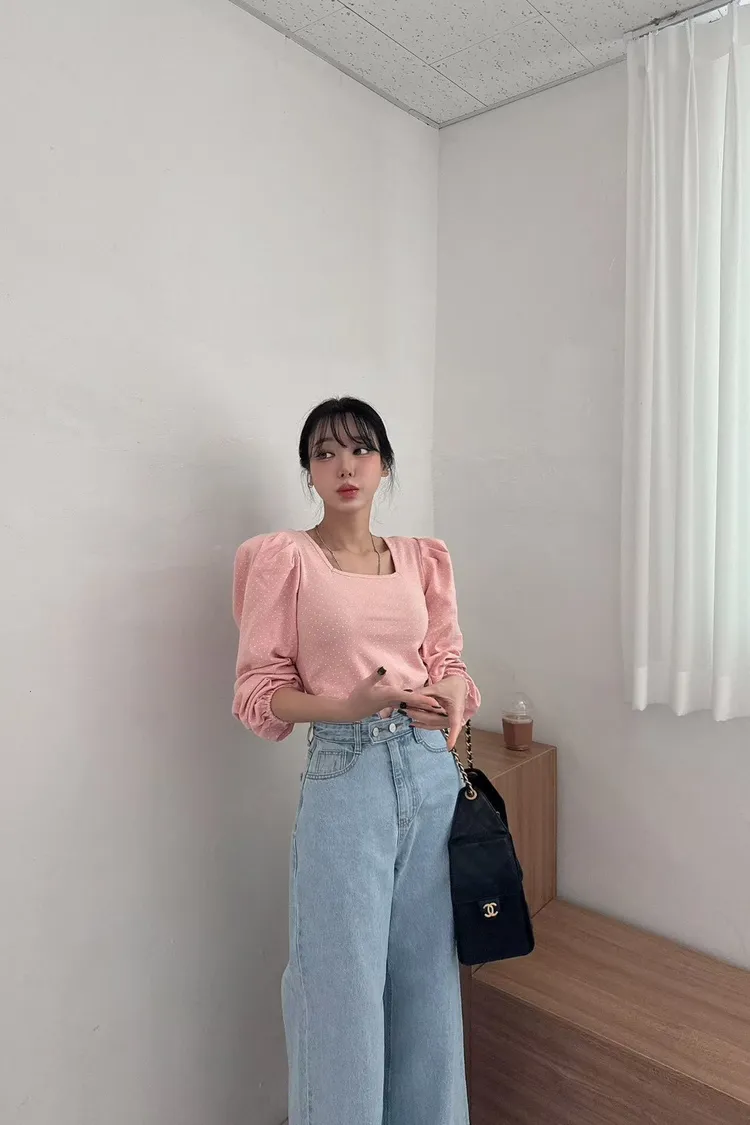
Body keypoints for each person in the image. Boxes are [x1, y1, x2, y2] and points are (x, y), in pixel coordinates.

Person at [232, 397, 480, 1125]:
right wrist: (345, 707)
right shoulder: (285, 559)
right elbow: (258, 691)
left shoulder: (422, 559)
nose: (345, 466)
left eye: (361, 449)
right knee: (339, 988)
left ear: (384, 464)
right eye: (325, 453)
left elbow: (449, 662)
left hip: (429, 770)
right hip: (347, 774)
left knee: (428, 983)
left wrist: (452, 696)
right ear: (308, 472)